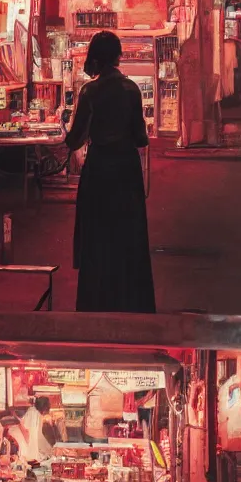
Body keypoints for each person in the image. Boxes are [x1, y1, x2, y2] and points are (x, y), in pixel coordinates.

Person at [65, 31, 156, 313]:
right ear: (118, 55)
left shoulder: (89, 92)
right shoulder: (131, 89)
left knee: (98, 237)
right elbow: (141, 138)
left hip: (99, 172)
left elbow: (75, 140)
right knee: (128, 237)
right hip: (126, 172)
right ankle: (131, 301)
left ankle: (96, 302)